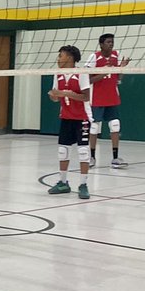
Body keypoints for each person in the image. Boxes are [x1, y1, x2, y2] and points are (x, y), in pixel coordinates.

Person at [47, 45, 91, 200]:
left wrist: (65, 93)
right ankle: (63, 182)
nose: (58, 58)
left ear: (70, 58)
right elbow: (55, 96)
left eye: (61, 55)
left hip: (82, 118)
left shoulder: (81, 73)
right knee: (63, 151)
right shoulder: (57, 74)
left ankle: (83, 184)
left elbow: (86, 97)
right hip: (66, 117)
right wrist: (53, 95)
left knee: (83, 152)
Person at [85, 33, 129, 168]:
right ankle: (91, 157)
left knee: (115, 124)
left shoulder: (116, 55)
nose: (111, 44)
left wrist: (121, 67)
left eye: (112, 42)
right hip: (97, 98)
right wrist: (103, 73)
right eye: (108, 42)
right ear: (101, 44)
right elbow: (87, 79)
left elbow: (118, 78)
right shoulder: (94, 57)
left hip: (112, 97)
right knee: (94, 127)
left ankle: (115, 158)